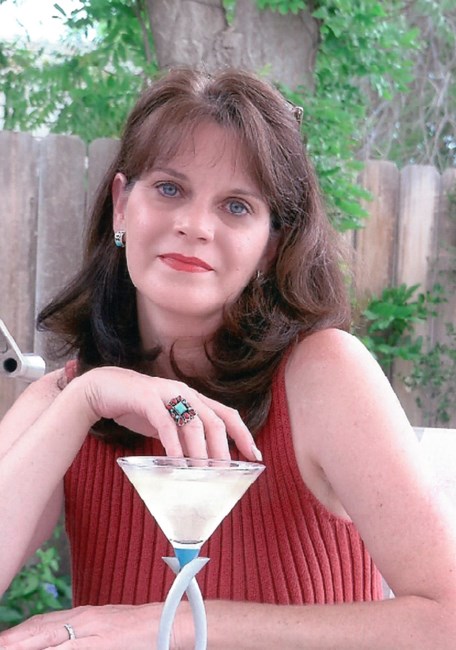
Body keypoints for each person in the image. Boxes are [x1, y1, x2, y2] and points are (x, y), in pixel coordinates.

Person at [0, 67, 455, 650]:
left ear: (271, 246)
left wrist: (177, 624)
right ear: (121, 206)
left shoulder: (325, 375)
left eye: (236, 206)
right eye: (169, 189)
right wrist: (85, 399)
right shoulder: (64, 401)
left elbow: (447, 620)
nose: (194, 226)